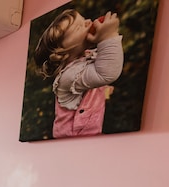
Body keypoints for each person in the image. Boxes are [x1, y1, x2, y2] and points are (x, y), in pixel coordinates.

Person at [34, 9, 123, 139]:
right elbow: (106, 73)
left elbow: (104, 65)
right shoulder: (68, 76)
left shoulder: (84, 58)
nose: (88, 22)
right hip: (72, 139)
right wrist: (109, 36)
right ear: (62, 51)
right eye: (78, 27)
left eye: (84, 19)